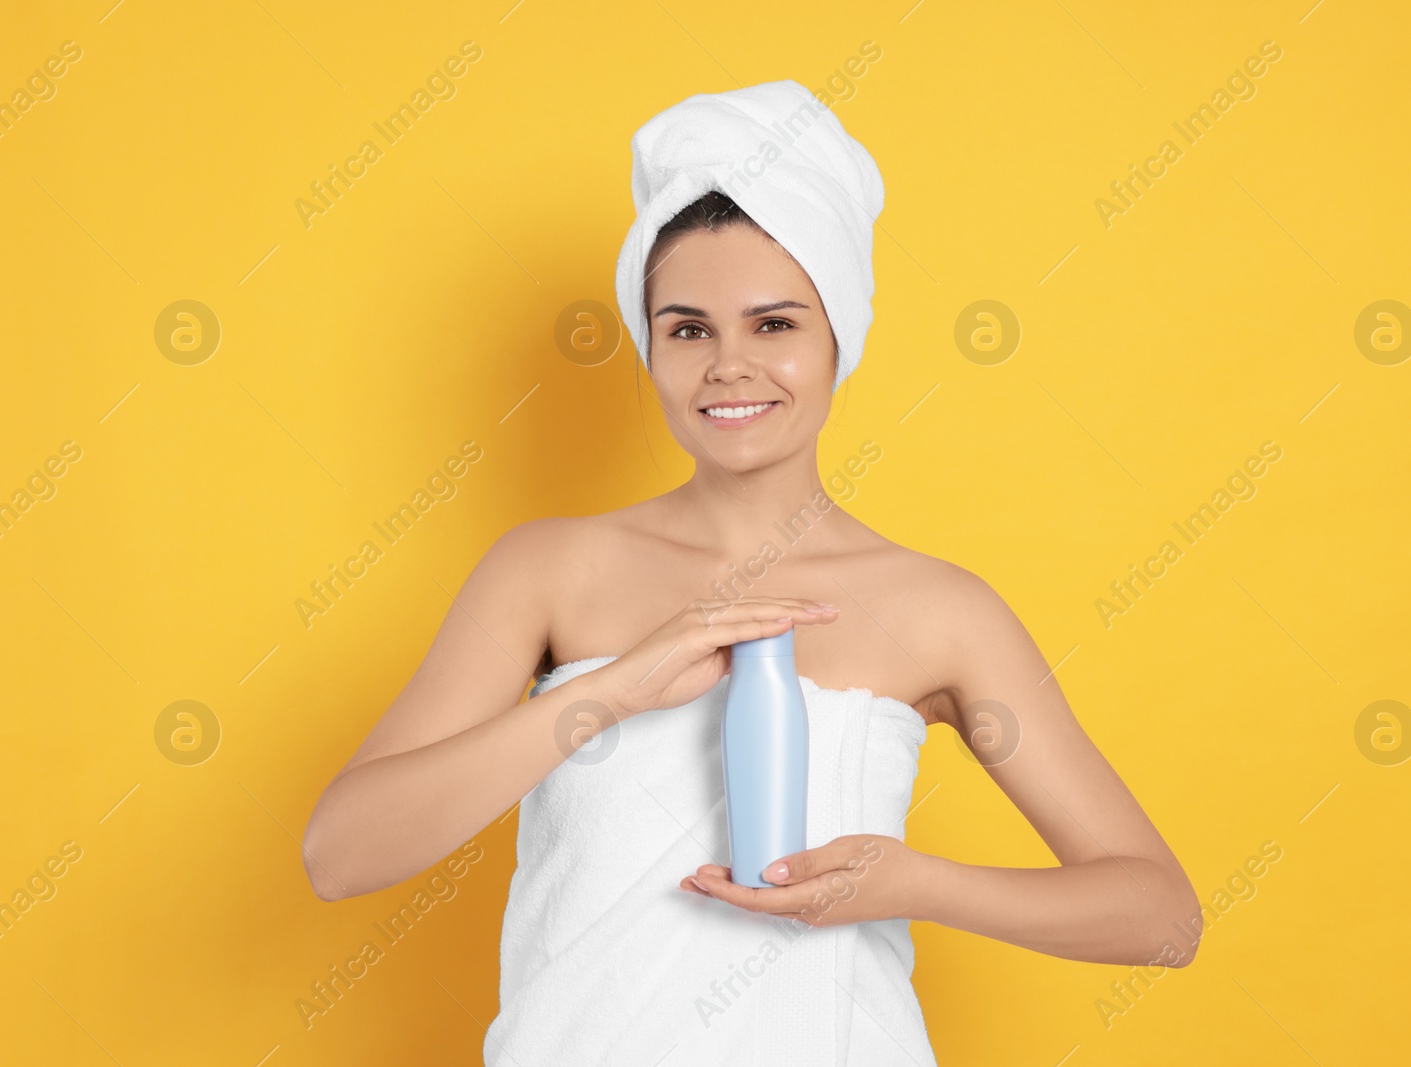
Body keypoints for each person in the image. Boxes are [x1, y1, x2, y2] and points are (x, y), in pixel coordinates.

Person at [301, 81, 1198, 1066]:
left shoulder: (937, 610)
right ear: (651, 347)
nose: (730, 364)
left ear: (836, 337)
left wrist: (913, 883)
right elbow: (343, 853)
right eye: (688, 328)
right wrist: (608, 690)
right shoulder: (548, 571)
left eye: (773, 324)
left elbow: (1158, 915)